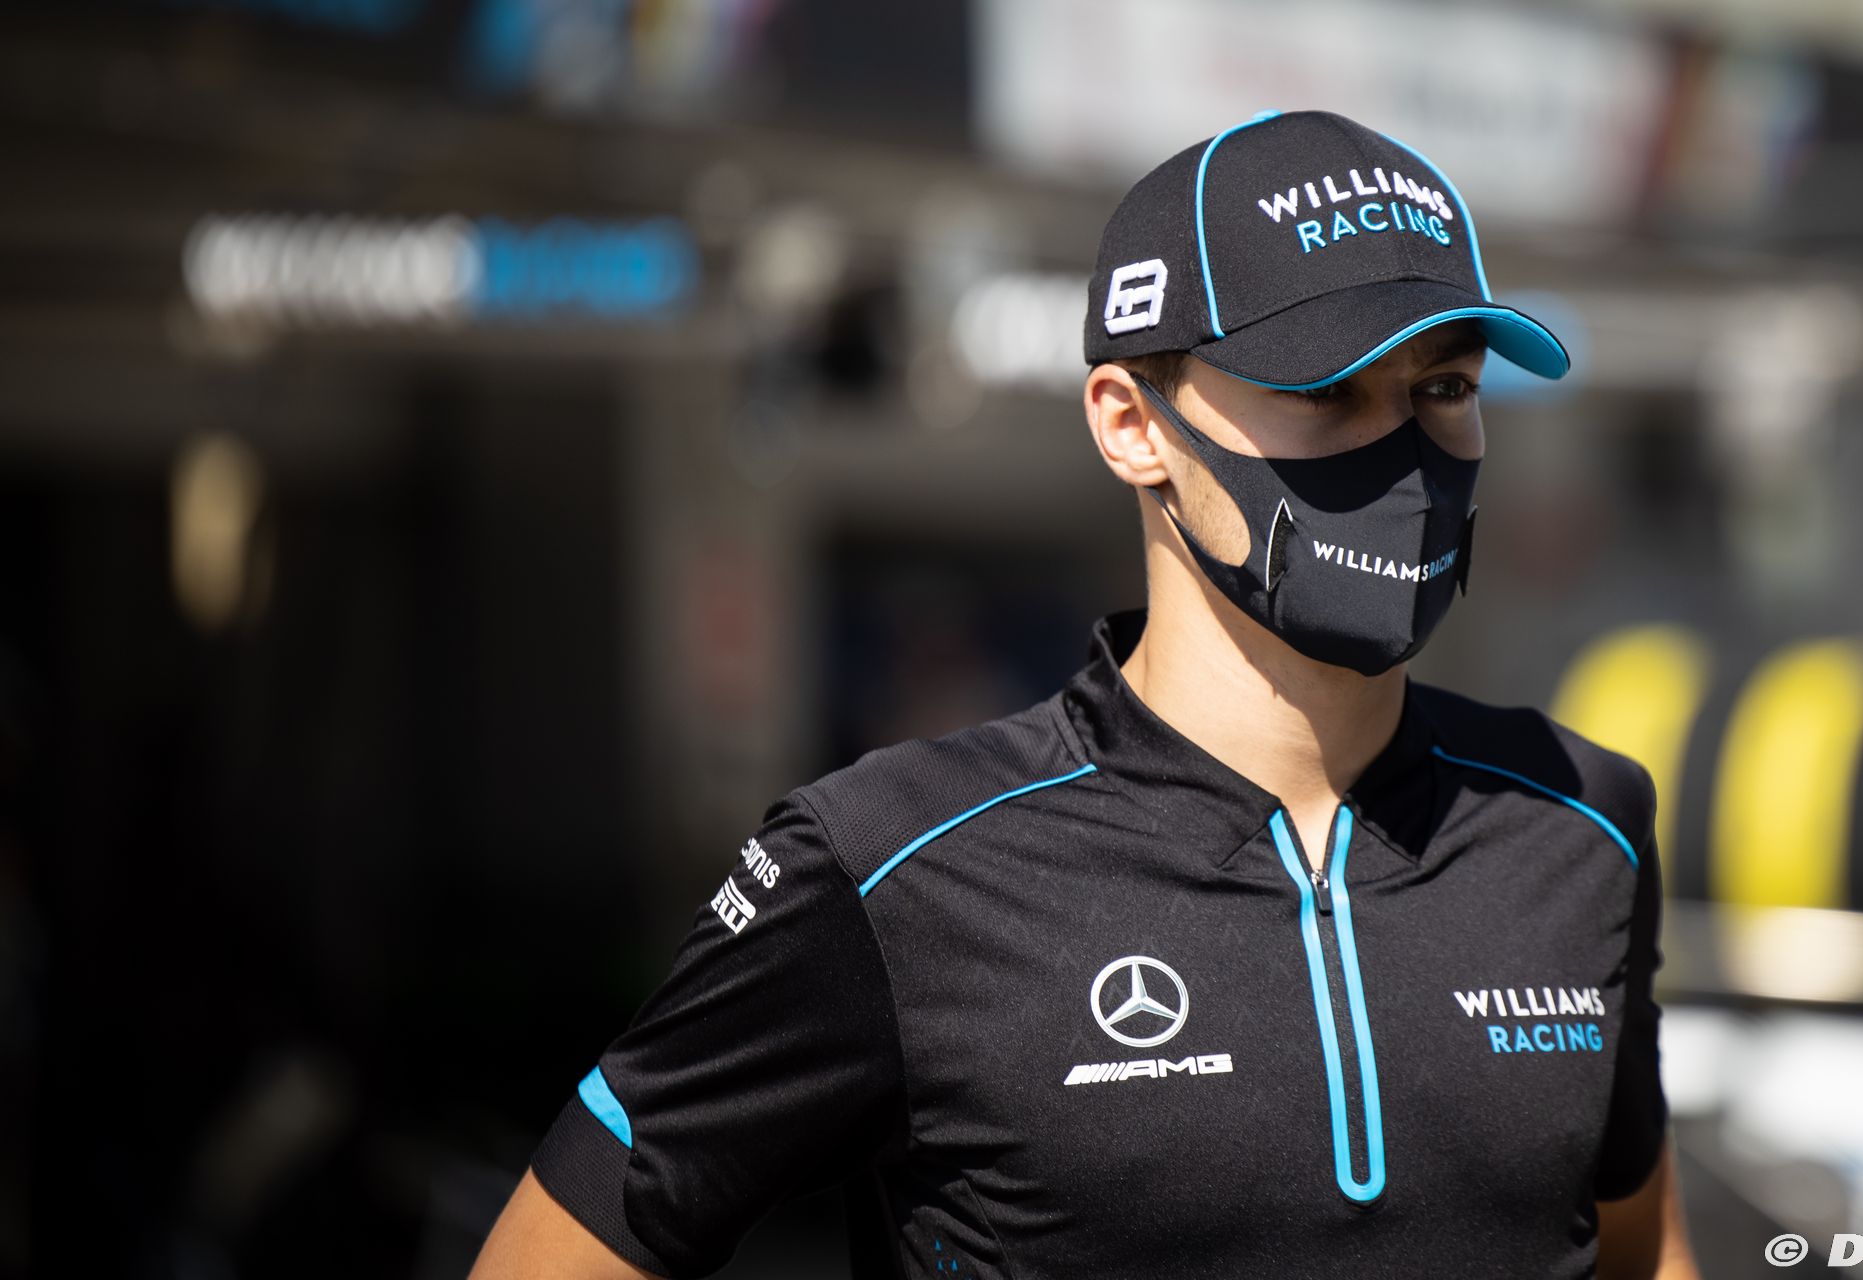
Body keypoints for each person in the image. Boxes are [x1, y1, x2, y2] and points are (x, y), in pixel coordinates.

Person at [474, 109, 1698, 1279]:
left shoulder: (1582, 818)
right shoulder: (887, 866)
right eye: (1330, 391)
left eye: (1445, 389)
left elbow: (1645, 1252)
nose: (1405, 452)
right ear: (1130, 425)